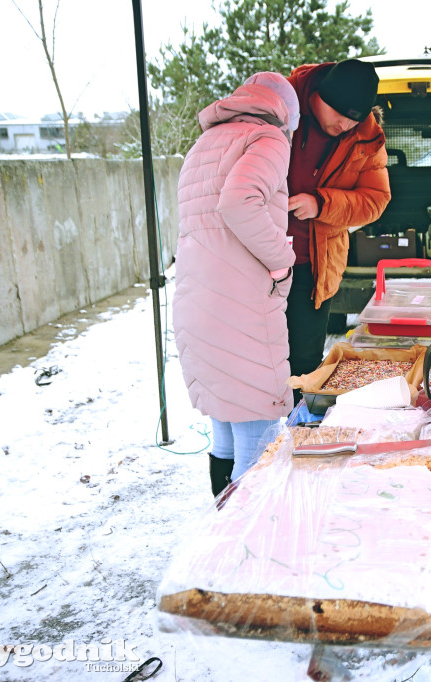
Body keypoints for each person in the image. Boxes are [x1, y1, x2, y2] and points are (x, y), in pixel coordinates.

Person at [173, 72, 301, 496]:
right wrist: (283, 261)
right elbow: (238, 202)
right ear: (286, 113)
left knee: (225, 426)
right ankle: (245, 549)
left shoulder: (205, 142)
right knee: (258, 439)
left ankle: (220, 525)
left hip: (199, 301)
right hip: (240, 306)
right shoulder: (268, 139)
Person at [283, 59, 391, 384]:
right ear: (318, 96)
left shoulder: (368, 138)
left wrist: (321, 203)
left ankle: (300, 431)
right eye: (339, 113)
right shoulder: (279, 104)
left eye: (354, 118)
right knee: (255, 361)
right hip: (258, 262)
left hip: (314, 268)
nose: (345, 124)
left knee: (304, 364)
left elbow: (375, 200)